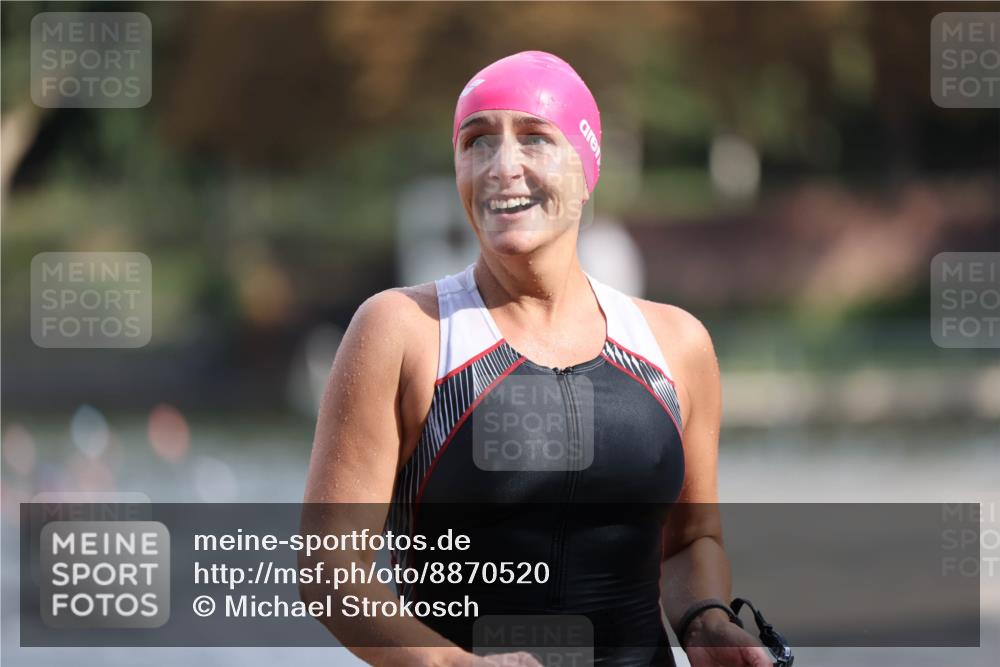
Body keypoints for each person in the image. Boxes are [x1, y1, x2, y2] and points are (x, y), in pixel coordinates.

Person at [302, 50, 774, 667]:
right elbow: (330, 568)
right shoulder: (404, 331)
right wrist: (453, 666)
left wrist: (705, 621)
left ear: (587, 170)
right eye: (476, 142)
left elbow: (690, 542)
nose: (503, 167)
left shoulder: (676, 346)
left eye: (535, 138)